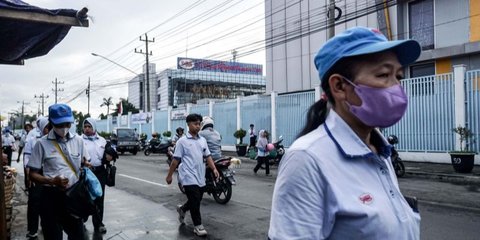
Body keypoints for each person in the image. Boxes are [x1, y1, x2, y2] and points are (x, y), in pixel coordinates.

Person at [268, 27, 422, 239]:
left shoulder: (380, 152)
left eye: (399, 76)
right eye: (384, 75)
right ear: (339, 86)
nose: (396, 87)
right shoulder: (307, 160)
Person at [28, 103, 90, 240]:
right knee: (53, 236)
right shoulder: (41, 144)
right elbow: (32, 174)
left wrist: (86, 166)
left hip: (73, 197)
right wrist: (52, 181)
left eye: (67, 124)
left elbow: (83, 164)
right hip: (51, 198)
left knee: (78, 236)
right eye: (60, 125)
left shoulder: (79, 141)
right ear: (51, 123)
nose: (64, 128)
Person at [165, 113, 219, 237]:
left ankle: (183, 209)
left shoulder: (202, 140)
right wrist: (169, 176)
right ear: (188, 124)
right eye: (195, 124)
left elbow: (208, 156)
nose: (198, 126)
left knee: (196, 199)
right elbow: (175, 161)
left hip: (200, 176)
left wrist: (214, 169)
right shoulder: (182, 141)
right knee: (195, 200)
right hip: (187, 176)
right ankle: (198, 226)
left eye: (199, 124)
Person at [82, 117, 116, 234]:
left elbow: (111, 154)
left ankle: (98, 223)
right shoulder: (79, 140)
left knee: (99, 197)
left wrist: (110, 155)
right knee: (85, 197)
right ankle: (83, 218)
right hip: (85, 172)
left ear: (94, 127)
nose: (87, 129)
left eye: (89, 126)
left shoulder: (102, 140)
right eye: (85, 127)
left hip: (100, 172)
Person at [23, 116, 50, 239]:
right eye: (47, 127)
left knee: (49, 203)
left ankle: (47, 227)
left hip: (50, 173)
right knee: (34, 202)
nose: (49, 130)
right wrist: (29, 176)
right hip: (36, 172)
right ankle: (32, 230)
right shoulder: (33, 140)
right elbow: (27, 158)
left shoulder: (54, 140)